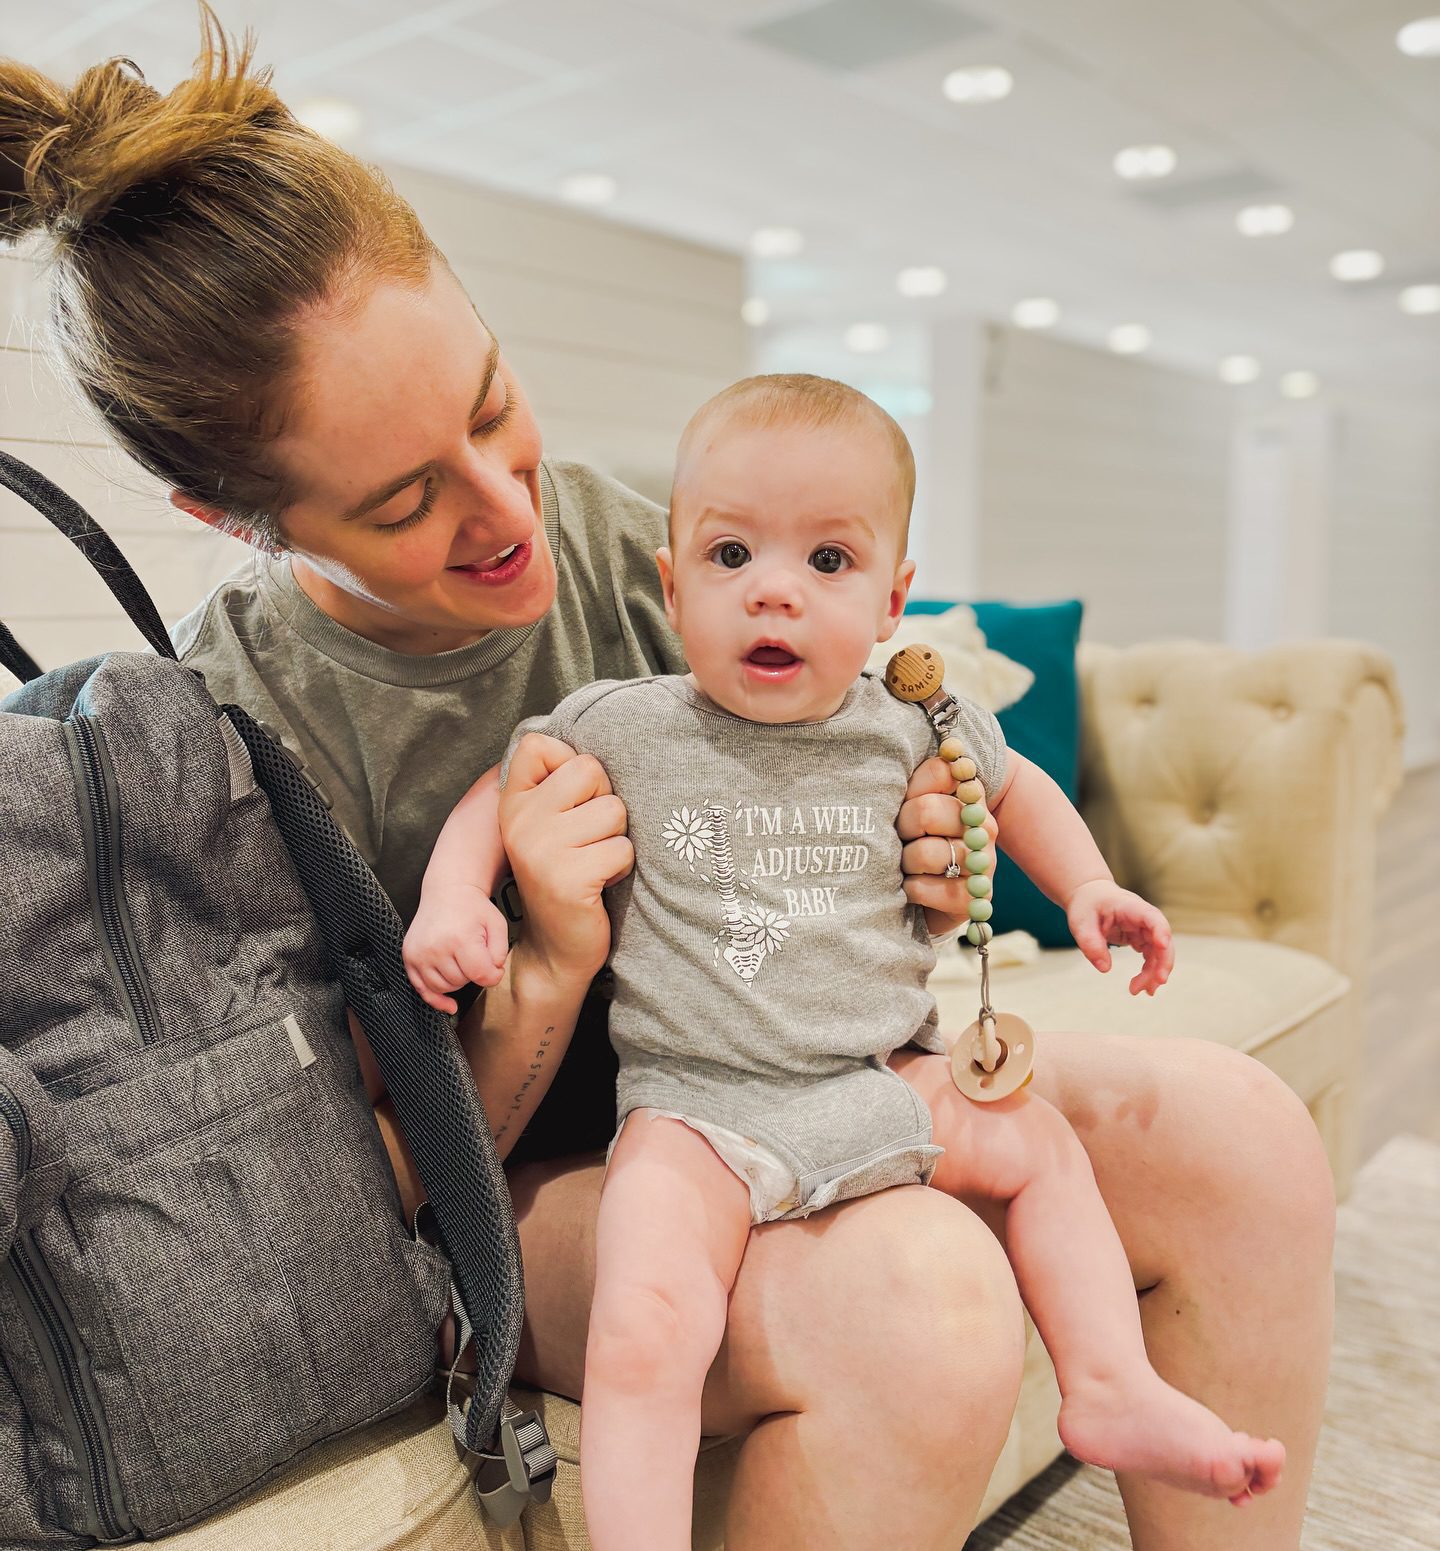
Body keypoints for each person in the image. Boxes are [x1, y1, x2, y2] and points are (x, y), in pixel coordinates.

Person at [0, 20, 1336, 1550]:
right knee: (922, 1301)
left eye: (490, 405)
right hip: (535, 1189)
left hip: (794, 1084)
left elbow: (866, 778)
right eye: (407, 498)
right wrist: (547, 966)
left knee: (1236, 1136)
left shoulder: (639, 543)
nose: (506, 510)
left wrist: (932, 859)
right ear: (232, 517)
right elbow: (368, 1195)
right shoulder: (225, 739)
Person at [404, 374, 1284, 1548]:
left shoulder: (907, 724)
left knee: (1037, 1146)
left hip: (878, 1078)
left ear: (891, 601)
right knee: (647, 1323)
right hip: (696, 1111)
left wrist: (1089, 887)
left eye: (828, 561)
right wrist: (454, 899)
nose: (774, 589)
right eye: (730, 555)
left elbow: (1016, 790)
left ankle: (1111, 1382)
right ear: (673, 585)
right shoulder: (630, 723)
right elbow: (499, 789)